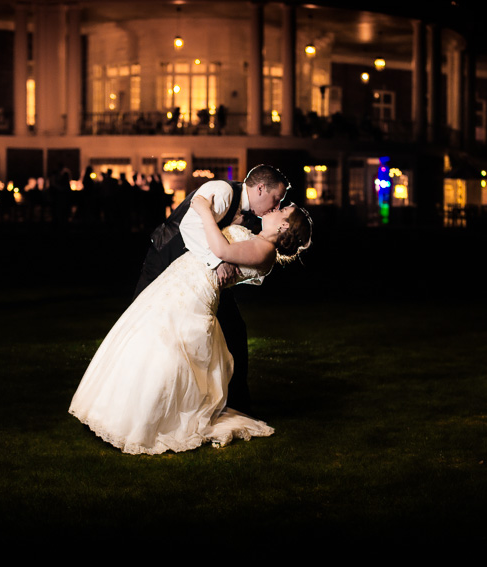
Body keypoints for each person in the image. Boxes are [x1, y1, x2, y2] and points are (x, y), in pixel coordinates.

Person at [68, 194, 312, 455]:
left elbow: (221, 251)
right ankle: (119, 410)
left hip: (196, 293)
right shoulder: (258, 239)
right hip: (182, 279)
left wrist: (204, 210)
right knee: (147, 338)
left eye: (283, 209)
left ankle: (147, 419)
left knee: (168, 349)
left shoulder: (265, 251)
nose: (277, 208)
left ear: (285, 226)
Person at [133, 165, 290, 413]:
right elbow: (189, 227)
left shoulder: (251, 216)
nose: (277, 206)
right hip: (166, 262)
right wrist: (217, 261)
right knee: (144, 324)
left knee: (234, 330)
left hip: (203, 278)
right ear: (260, 188)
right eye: (276, 198)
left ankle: (234, 402)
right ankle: (141, 395)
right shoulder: (223, 191)